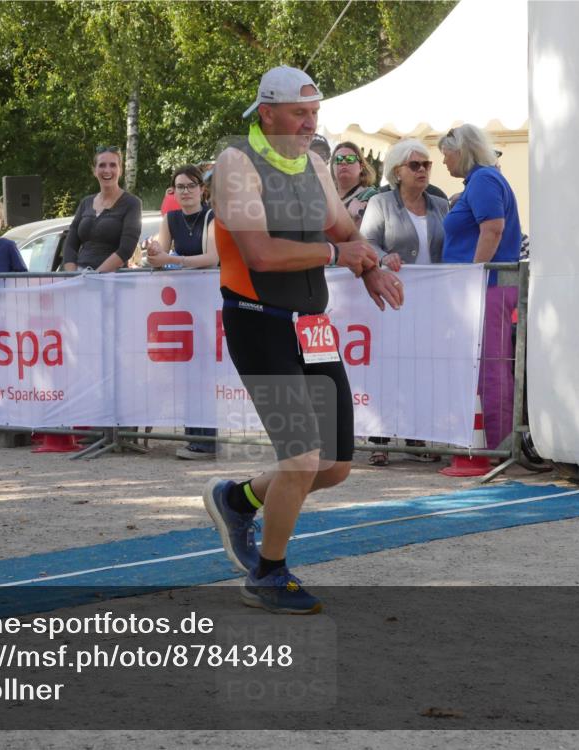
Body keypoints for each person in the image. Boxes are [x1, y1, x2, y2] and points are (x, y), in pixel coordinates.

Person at [206, 65, 403, 614]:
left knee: (334, 465)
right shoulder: (234, 165)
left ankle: (238, 499)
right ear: (266, 113)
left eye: (315, 113)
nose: (309, 123)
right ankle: (268, 575)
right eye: (298, 113)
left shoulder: (316, 164)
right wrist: (337, 256)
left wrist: (370, 268)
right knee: (299, 459)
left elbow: (343, 231)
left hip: (311, 325)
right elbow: (262, 254)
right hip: (257, 317)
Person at [360, 138, 450, 466]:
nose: (423, 170)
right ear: (398, 171)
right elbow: (367, 241)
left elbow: (450, 244)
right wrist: (385, 257)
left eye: (427, 164)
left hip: (432, 301)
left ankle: (416, 435)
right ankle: (379, 440)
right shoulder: (381, 203)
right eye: (415, 165)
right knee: (390, 367)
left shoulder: (440, 204)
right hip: (394, 297)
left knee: (422, 368)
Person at [439, 124, 522, 451]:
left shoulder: (484, 180)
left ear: (461, 151)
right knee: (493, 365)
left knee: (491, 366)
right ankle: (497, 440)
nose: (444, 162)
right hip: (491, 286)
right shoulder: (483, 181)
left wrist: (474, 273)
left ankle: (499, 443)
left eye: (446, 154)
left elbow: (493, 229)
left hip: (489, 287)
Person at [142, 165, 220, 459]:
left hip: (208, 302)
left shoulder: (213, 217)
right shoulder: (171, 218)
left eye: (190, 185)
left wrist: (171, 258)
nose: (185, 191)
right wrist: (152, 255)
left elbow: (212, 258)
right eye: (180, 186)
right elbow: (159, 255)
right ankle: (194, 437)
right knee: (188, 371)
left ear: (202, 189)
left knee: (205, 372)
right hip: (182, 305)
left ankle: (206, 440)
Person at [62, 146, 143, 272]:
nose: (107, 170)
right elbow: (70, 245)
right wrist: (73, 277)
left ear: (120, 170)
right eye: (102, 165)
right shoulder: (85, 202)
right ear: (94, 170)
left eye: (113, 165)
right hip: (79, 279)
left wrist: (95, 276)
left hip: (112, 282)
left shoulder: (132, 203)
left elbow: (126, 250)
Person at [330, 141, 378, 228]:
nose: (343, 162)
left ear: (361, 166)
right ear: (332, 167)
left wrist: (358, 216)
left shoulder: (371, 197)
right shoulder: (325, 197)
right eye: (338, 159)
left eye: (350, 159)